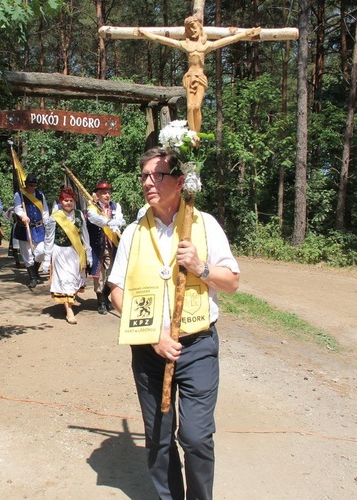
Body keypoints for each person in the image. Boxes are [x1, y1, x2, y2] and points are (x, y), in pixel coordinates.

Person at [107, 147, 240, 500]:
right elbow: (116, 292)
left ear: (180, 182)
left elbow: (232, 281)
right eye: (144, 177)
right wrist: (154, 337)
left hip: (197, 347)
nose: (149, 183)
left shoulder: (204, 224)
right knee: (159, 437)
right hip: (150, 351)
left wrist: (200, 267)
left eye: (158, 175)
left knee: (195, 437)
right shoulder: (135, 232)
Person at [138, 18, 261, 132]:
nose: (192, 31)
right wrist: (146, 34)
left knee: (197, 106)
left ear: (200, 28)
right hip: (189, 77)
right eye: (189, 29)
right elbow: (162, 40)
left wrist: (246, 33)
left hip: (200, 77)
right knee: (190, 107)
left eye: (194, 27)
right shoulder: (185, 45)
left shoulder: (206, 45)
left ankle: (196, 132)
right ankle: (192, 134)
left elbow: (230, 40)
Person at [47, 187, 92, 324]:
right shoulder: (54, 218)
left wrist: (88, 254)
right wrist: (45, 259)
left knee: (74, 279)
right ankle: (69, 311)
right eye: (66, 200)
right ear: (61, 201)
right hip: (60, 252)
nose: (68, 203)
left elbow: (85, 236)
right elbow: (49, 238)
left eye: (71, 200)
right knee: (65, 280)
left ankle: (69, 303)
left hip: (75, 252)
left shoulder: (79, 215)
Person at [86, 181, 125, 314]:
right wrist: (109, 222)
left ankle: (106, 296)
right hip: (97, 246)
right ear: (98, 195)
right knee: (99, 274)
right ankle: (101, 301)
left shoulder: (115, 206)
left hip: (113, 245)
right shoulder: (92, 208)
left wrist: (117, 222)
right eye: (104, 193)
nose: (107, 195)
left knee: (113, 273)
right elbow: (94, 219)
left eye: (109, 192)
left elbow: (120, 219)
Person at [13, 173, 50, 289]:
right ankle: (33, 278)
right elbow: (17, 208)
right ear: (26, 184)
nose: (32, 188)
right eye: (30, 185)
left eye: (34, 185)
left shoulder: (40, 195)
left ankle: (35, 272)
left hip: (39, 228)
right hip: (25, 228)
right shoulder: (19, 195)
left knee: (41, 251)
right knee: (28, 254)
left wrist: (47, 223)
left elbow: (45, 210)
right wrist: (22, 215)